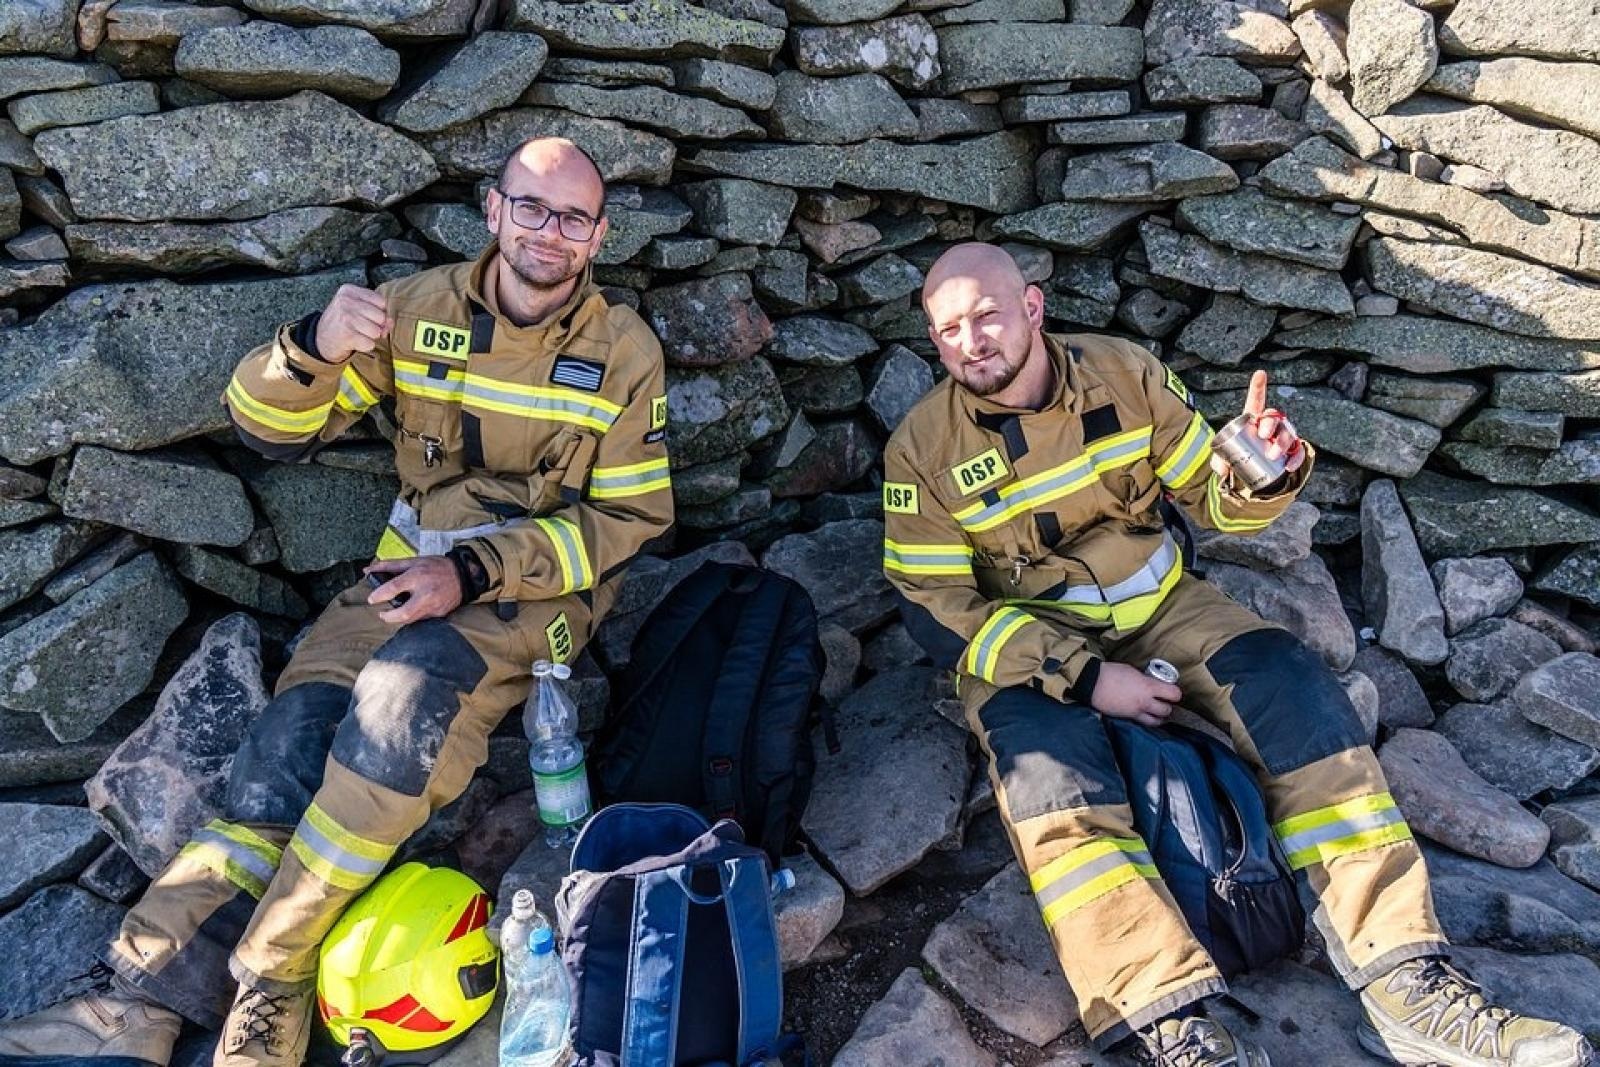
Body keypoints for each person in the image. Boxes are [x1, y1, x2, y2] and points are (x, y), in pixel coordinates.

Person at [0, 137, 673, 1067]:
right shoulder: (419, 309)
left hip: (528, 599)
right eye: (530, 206)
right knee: (289, 742)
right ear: (493, 209)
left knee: (399, 709)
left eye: (570, 218)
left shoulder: (624, 351)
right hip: (395, 583)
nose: (547, 233)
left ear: (597, 236)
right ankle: (141, 1000)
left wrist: (475, 572)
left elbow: (631, 516)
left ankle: (270, 985)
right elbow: (266, 427)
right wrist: (313, 345)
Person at [881, 242, 1593, 1067]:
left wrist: (1262, 471)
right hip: (1030, 651)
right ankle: (1171, 1022)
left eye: (986, 316)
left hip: (1168, 608)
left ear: (1033, 309)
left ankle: (1406, 980)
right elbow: (940, 612)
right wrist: (1081, 677)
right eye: (947, 330)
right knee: (1055, 780)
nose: (970, 342)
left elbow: (1212, 501)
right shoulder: (920, 450)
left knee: (1290, 685)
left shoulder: (1125, 372)